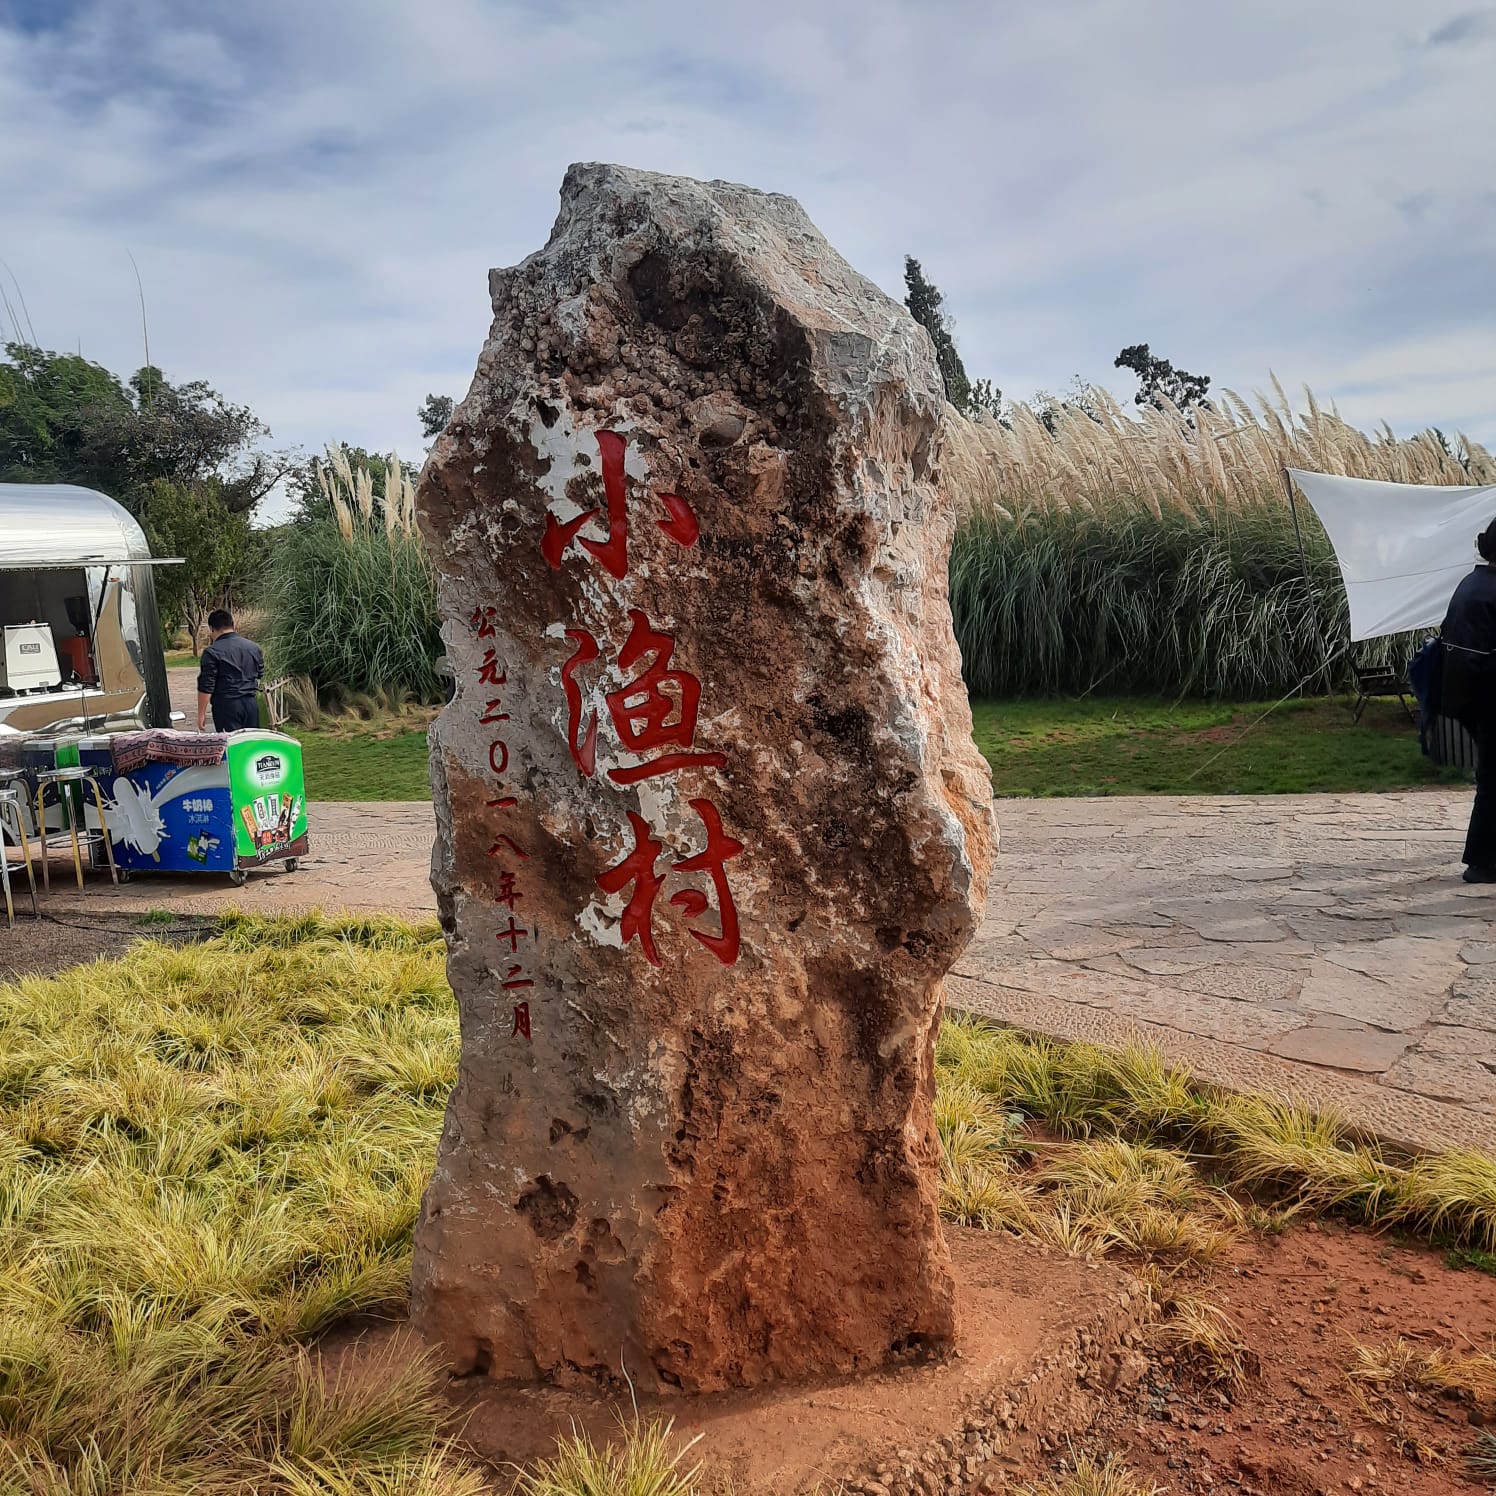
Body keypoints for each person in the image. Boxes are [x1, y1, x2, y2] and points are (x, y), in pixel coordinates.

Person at [1440, 520, 1496, 882]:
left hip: (1474, 698)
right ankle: (1483, 863)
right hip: (1488, 697)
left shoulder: (1473, 584)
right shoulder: (1487, 592)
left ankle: (1484, 859)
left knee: (1491, 779)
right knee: (1493, 781)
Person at [196, 609, 264, 733]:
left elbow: (206, 686)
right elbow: (259, 674)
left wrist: (201, 714)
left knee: (230, 742)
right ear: (233, 625)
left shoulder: (212, 652)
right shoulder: (254, 648)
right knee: (250, 741)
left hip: (226, 706)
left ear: (212, 628)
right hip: (251, 703)